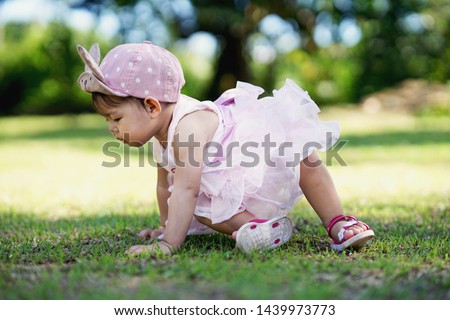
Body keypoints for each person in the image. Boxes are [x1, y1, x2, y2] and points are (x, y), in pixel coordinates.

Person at [76, 41, 375, 255]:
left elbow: (184, 191)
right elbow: (165, 189)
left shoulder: (186, 128)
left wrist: (170, 243)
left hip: (257, 156)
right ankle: (258, 227)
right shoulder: (160, 137)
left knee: (301, 155)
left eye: (116, 118)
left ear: (152, 106)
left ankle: (337, 221)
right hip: (232, 185)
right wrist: (165, 228)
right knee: (206, 211)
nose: (112, 128)